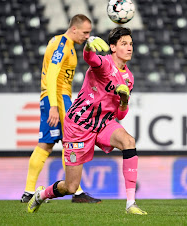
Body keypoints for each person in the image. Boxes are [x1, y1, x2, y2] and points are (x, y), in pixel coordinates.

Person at [27, 27, 147, 215]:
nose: (130, 48)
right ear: (113, 48)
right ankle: (42, 195)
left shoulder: (129, 78)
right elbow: (90, 58)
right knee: (71, 187)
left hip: (103, 124)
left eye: (131, 44)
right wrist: (89, 46)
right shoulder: (104, 64)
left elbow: (121, 115)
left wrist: (124, 101)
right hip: (78, 126)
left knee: (128, 141)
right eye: (124, 44)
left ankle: (131, 204)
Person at [21, 14, 101, 204]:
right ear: (74, 29)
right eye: (85, 32)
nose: (87, 36)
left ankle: (30, 192)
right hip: (55, 98)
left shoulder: (69, 46)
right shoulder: (61, 45)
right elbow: (51, 76)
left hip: (60, 98)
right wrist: (54, 107)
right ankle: (76, 192)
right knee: (66, 142)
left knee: (50, 143)